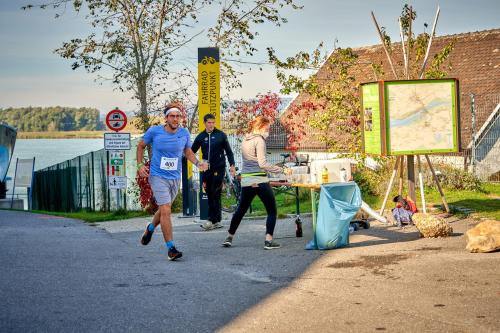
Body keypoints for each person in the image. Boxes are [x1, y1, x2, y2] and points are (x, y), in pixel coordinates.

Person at [137, 103, 208, 261]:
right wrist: (140, 165)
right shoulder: (155, 131)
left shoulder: (184, 133)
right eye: (172, 116)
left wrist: (197, 163)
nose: (176, 119)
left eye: (178, 116)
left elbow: (187, 151)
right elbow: (141, 146)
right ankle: (171, 249)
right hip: (157, 176)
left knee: (164, 209)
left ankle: (149, 229)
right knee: (166, 210)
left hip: (175, 177)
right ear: (166, 118)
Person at [222, 115, 290, 250]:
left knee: (241, 210)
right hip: (259, 179)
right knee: (272, 210)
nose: (268, 132)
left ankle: (229, 237)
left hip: (247, 179)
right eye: (267, 128)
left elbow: (250, 161)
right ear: (260, 127)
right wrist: (281, 170)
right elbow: (262, 163)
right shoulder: (260, 140)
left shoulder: (245, 140)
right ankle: (268, 241)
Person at [191, 113, 236, 231]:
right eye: (209, 123)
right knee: (210, 193)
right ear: (204, 123)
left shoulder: (221, 135)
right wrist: (196, 162)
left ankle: (211, 220)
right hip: (206, 170)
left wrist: (232, 165)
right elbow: (191, 151)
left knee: (215, 192)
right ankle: (217, 220)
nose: (211, 125)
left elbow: (229, 152)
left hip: (219, 168)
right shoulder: (201, 137)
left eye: (213, 122)